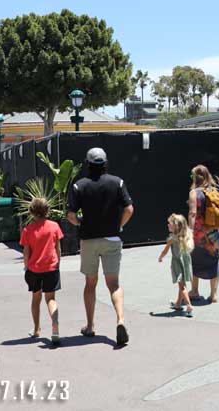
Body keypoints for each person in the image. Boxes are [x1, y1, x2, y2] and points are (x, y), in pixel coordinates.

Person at [67, 147, 134, 346]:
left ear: (88, 164)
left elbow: (71, 215)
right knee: (113, 284)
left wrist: (80, 223)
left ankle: (90, 325)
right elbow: (130, 208)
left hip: (88, 239)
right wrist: (119, 225)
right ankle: (120, 320)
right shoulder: (117, 182)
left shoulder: (79, 186)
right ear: (105, 163)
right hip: (112, 239)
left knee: (90, 284)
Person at [20, 197, 63, 348]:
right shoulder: (54, 226)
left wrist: (26, 267)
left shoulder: (27, 230)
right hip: (51, 267)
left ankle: (37, 329)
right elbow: (58, 248)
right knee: (50, 299)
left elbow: (26, 252)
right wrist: (58, 263)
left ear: (31, 211)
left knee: (36, 298)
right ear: (47, 210)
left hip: (34, 269)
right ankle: (55, 323)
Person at [188, 165, 219, 303]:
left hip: (198, 235)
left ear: (196, 177)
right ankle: (213, 294)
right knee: (214, 261)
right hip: (214, 233)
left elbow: (192, 213)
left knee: (194, 261)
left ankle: (195, 291)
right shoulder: (214, 191)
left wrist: (190, 232)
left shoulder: (194, 193)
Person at [158, 214, 194, 317]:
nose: (168, 225)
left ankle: (189, 305)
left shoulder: (172, 238)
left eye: (170, 223)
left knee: (182, 286)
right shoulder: (186, 235)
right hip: (186, 262)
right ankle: (178, 304)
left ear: (176, 226)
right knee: (182, 283)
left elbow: (165, 251)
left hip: (177, 263)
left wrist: (161, 257)